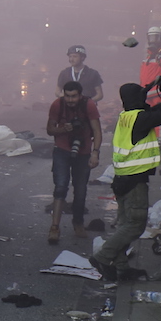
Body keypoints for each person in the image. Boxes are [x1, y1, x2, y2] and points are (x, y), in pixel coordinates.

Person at [94, 80, 161, 279]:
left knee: (124, 225)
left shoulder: (127, 116)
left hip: (122, 180)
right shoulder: (139, 119)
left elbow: (157, 111)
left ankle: (121, 268)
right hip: (134, 181)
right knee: (135, 226)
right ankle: (102, 257)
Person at [45, 80, 101, 244]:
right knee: (61, 186)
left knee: (81, 189)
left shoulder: (89, 105)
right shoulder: (57, 105)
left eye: (74, 96)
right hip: (62, 150)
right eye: (67, 96)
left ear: (80, 95)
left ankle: (78, 222)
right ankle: (54, 227)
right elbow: (49, 129)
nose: (70, 100)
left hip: (83, 152)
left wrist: (95, 153)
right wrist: (64, 129)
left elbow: (97, 131)